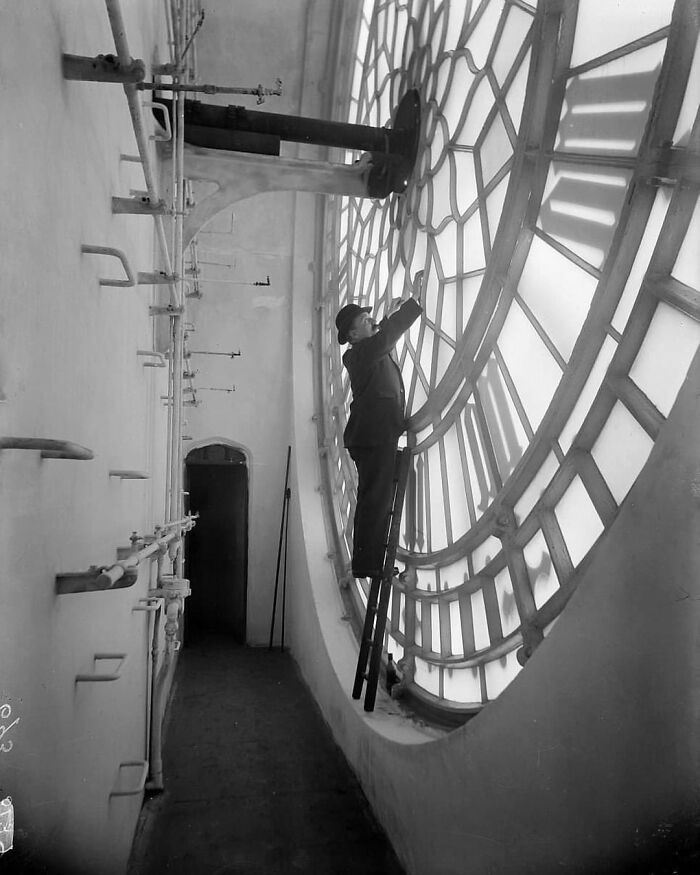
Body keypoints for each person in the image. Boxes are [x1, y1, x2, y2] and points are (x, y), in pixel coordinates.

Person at [335, 286, 423, 578]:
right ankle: (368, 563)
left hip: (376, 433)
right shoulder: (357, 356)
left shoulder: (366, 351)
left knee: (377, 496)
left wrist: (388, 317)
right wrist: (413, 306)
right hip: (373, 434)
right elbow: (384, 336)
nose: (368, 320)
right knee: (376, 499)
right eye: (362, 320)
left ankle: (369, 561)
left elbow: (381, 334)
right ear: (352, 336)